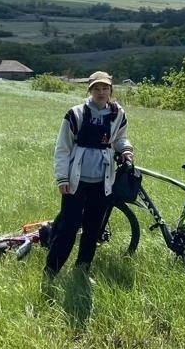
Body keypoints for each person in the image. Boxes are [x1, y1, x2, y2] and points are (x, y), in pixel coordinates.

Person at [46, 71, 134, 280]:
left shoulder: (117, 114)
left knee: (93, 228)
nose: (101, 92)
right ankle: (51, 271)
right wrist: (62, 178)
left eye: (105, 88)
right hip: (75, 182)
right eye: (96, 88)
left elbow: (119, 138)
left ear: (110, 90)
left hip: (103, 181)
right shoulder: (75, 114)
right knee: (68, 227)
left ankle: (82, 269)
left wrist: (126, 149)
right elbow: (63, 148)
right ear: (90, 90)